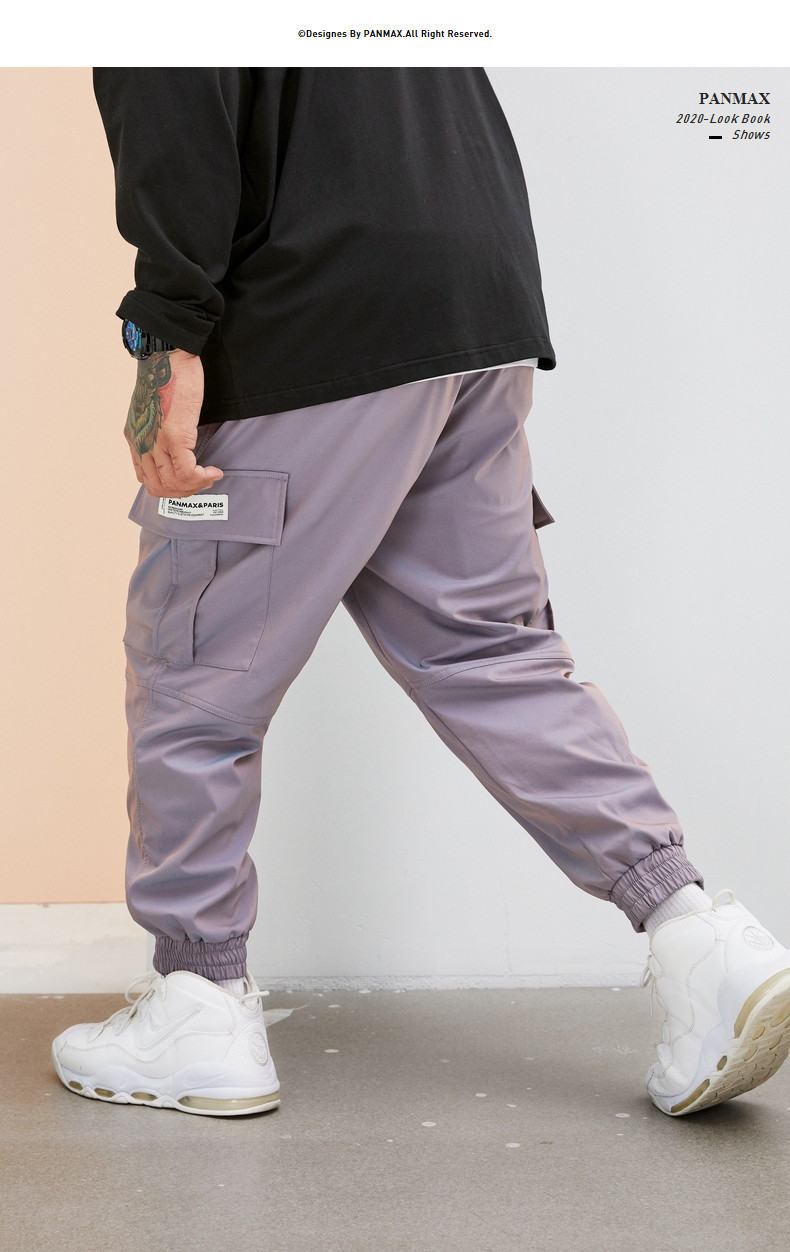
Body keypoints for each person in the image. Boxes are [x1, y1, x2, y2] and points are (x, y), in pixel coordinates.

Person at [52, 68, 790, 1119]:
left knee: (196, 668)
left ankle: (197, 1003)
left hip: (316, 309)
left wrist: (167, 337)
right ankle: (698, 936)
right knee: (491, 650)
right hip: (473, 300)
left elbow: (175, 96)